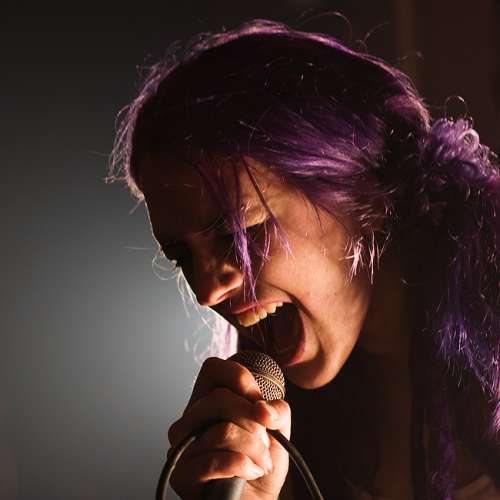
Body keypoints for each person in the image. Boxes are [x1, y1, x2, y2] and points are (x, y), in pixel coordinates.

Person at [110, 19, 500, 499]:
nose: (207, 292)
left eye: (237, 233)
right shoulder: (290, 440)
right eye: (182, 256)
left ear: (363, 192)